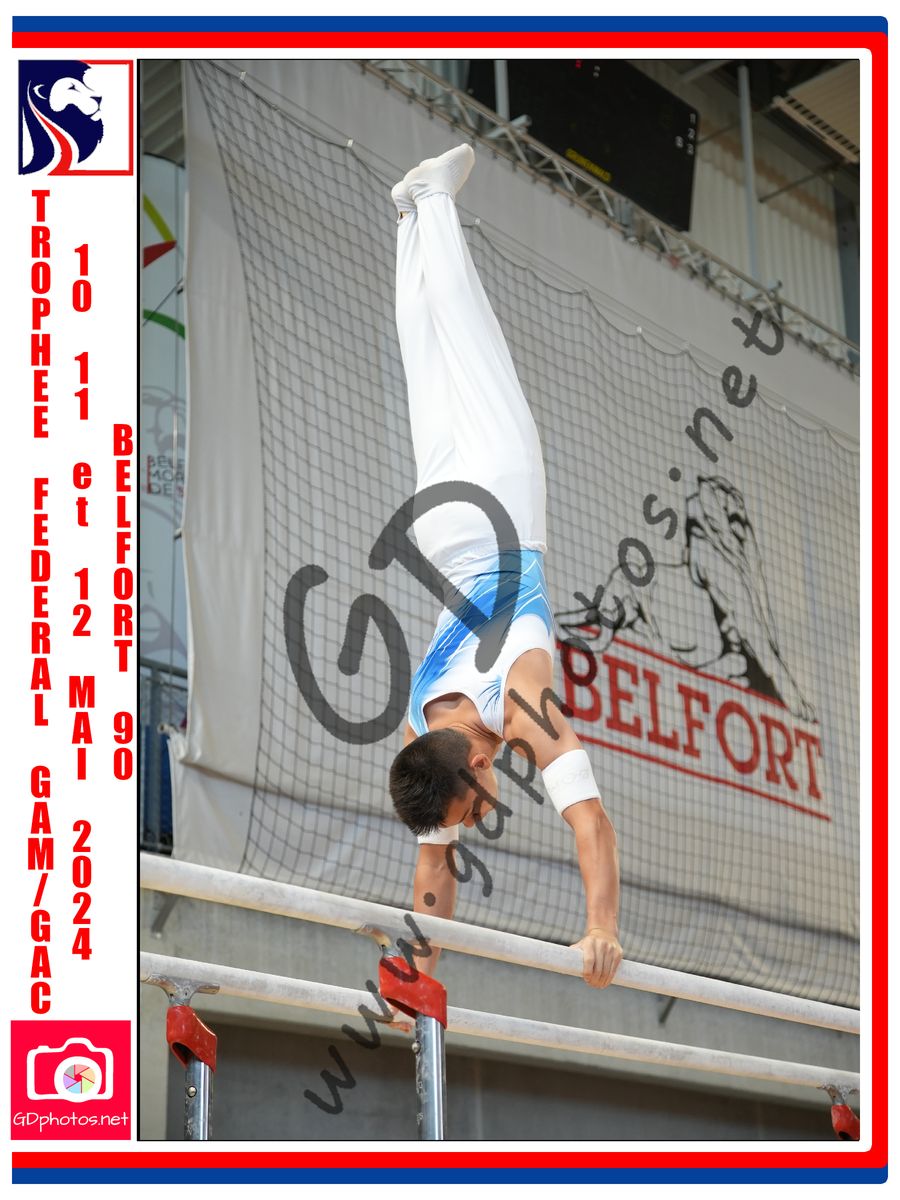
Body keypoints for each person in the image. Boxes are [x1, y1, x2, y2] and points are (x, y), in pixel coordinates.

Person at [388, 145, 622, 991]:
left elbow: (590, 822)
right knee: (428, 376)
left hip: (503, 508)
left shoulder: (521, 706)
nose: (479, 815)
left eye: (475, 805)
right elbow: (434, 865)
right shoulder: (420, 732)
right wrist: (421, 971)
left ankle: (437, 205)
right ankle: (409, 221)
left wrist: (601, 930)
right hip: (440, 529)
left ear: (482, 767)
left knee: (473, 349)